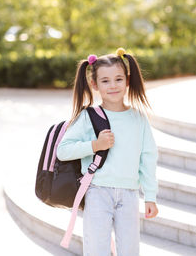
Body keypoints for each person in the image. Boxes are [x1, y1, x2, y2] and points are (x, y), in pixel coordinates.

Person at [56, 48, 158, 256]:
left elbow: (148, 158)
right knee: (96, 249)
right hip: (97, 191)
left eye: (118, 79)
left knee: (130, 250)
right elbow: (63, 151)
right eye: (105, 81)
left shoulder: (139, 118)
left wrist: (150, 196)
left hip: (129, 194)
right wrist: (95, 145)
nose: (113, 85)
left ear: (127, 81)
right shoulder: (89, 116)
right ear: (94, 84)